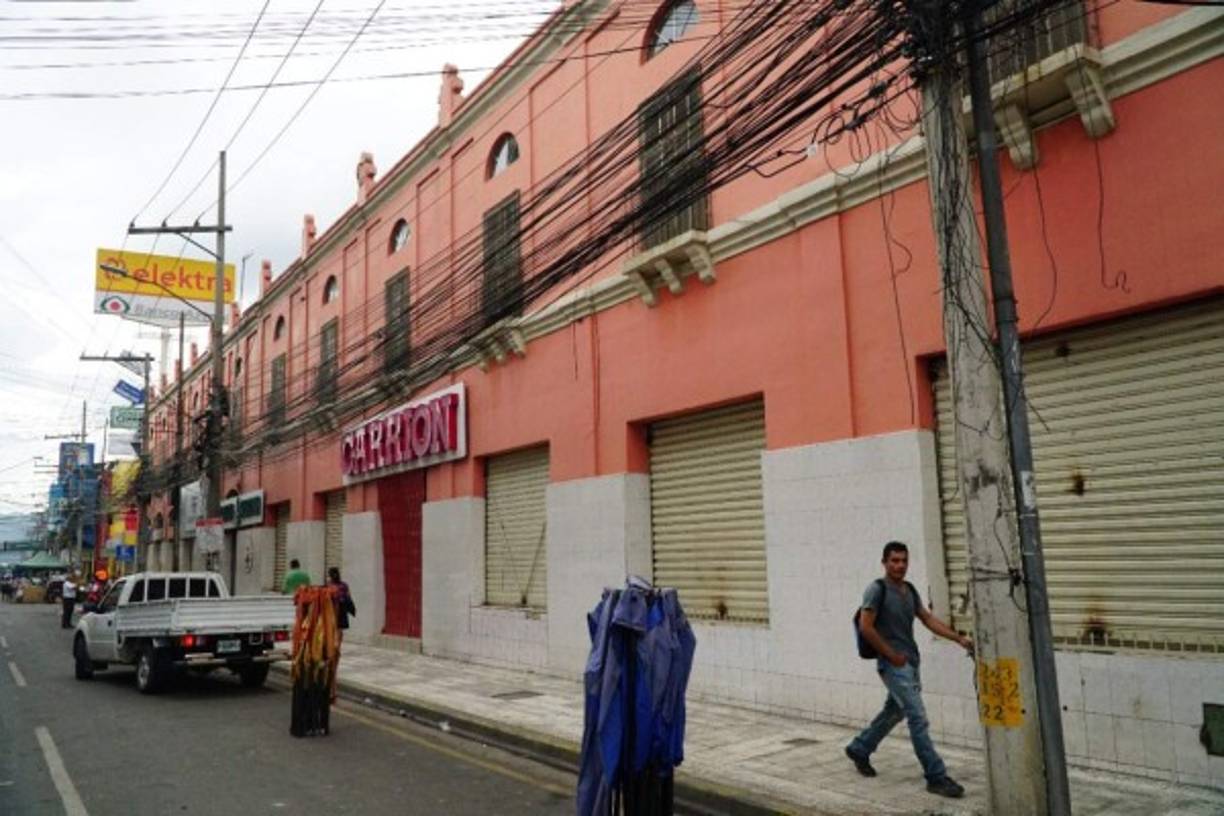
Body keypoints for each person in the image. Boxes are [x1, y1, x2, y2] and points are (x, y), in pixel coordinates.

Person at [845, 541, 973, 800]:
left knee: (895, 710)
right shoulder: (876, 589)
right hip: (893, 665)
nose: (899, 565)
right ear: (884, 562)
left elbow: (927, 619)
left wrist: (957, 638)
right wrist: (891, 655)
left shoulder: (909, 590)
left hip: (910, 662)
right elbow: (866, 627)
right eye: (894, 560)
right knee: (918, 717)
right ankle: (936, 777)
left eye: (903, 561)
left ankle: (860, 748)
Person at [326, 567, 355, 640]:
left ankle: (332, 646)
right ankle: (338, 646)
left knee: (332, 628)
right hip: (342, 608)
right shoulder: (344, 585)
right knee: (340, 629)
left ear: (330, 576)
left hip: (331, 608)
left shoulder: (329, 586)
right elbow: (349, 597)